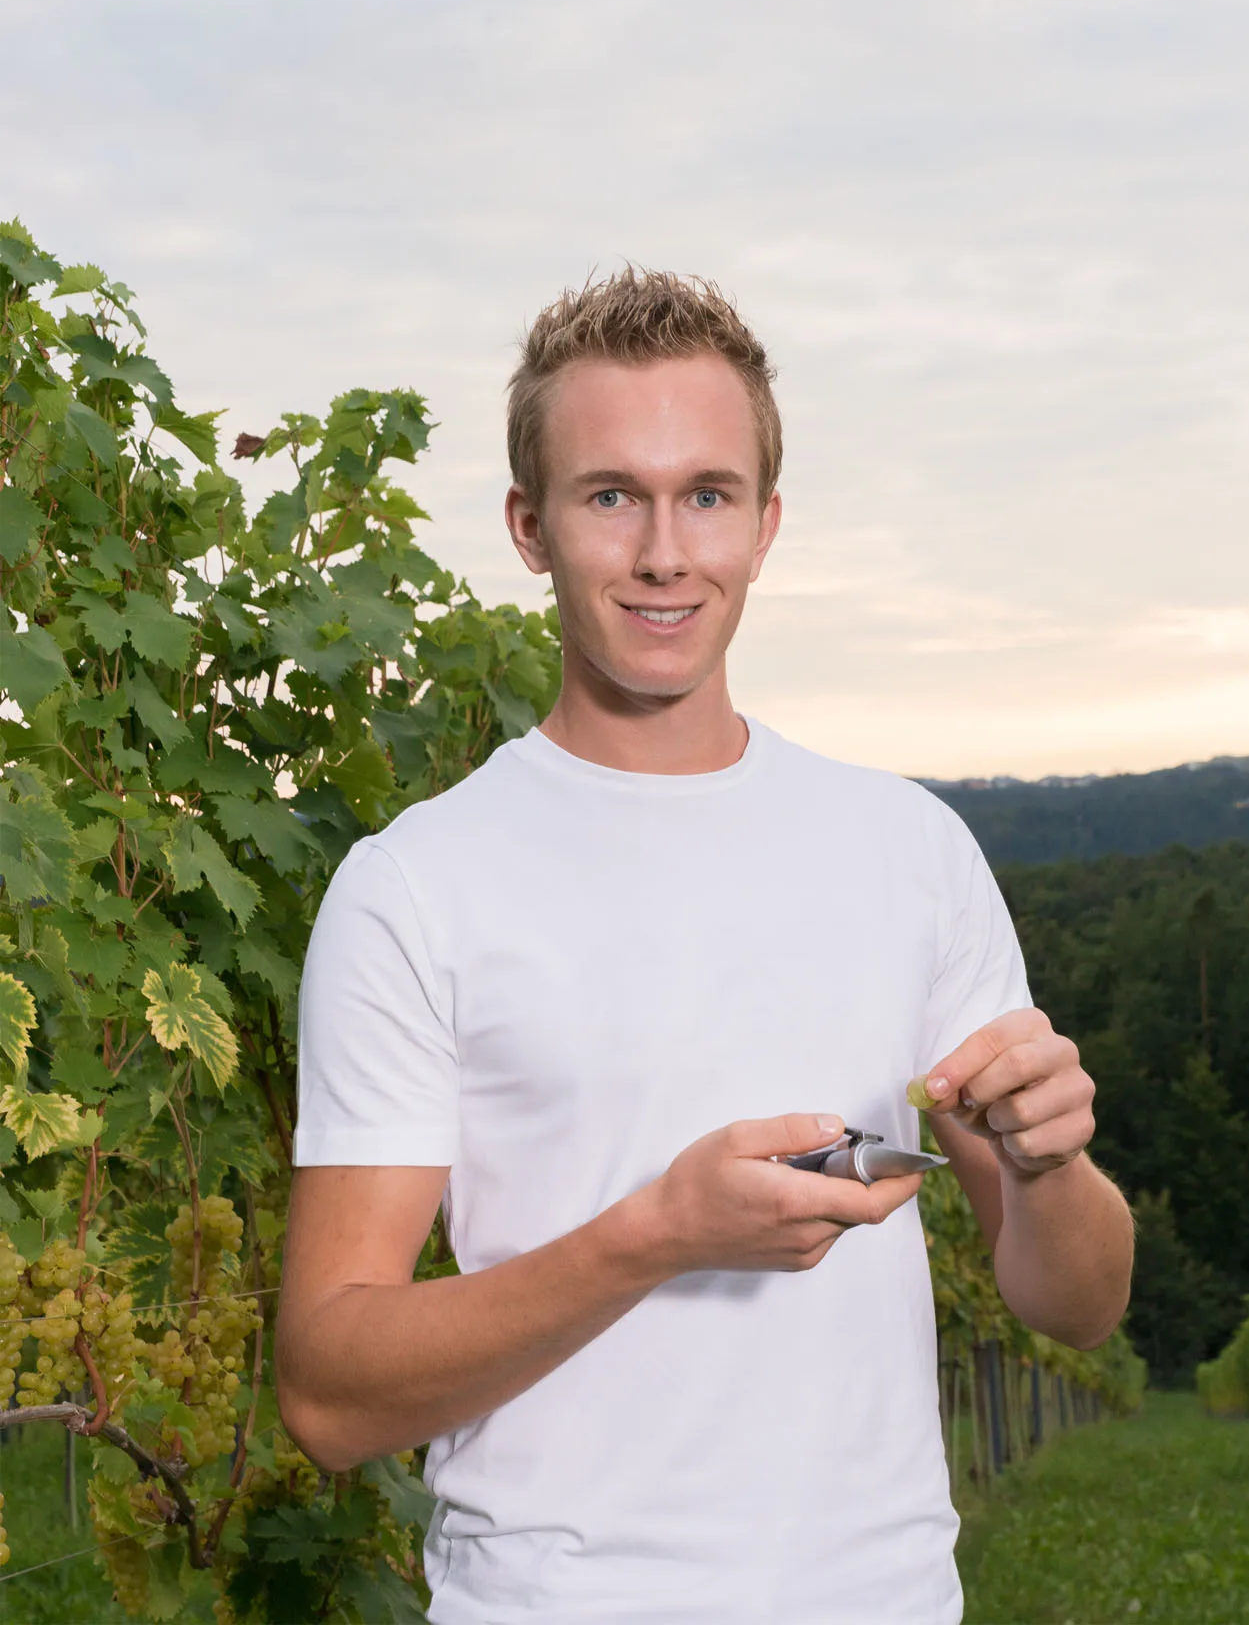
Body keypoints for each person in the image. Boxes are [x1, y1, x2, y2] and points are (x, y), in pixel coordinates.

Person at [276, 269, 1134, 1624]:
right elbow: (327, 1393)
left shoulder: (908, 852)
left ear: (766, 525)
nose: (666, 551)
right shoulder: (415, 891)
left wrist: (1054, 1166)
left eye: (709, 495)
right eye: (612, 495)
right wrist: (659, 1234)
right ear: (530, 526)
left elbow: (1076, 1306)